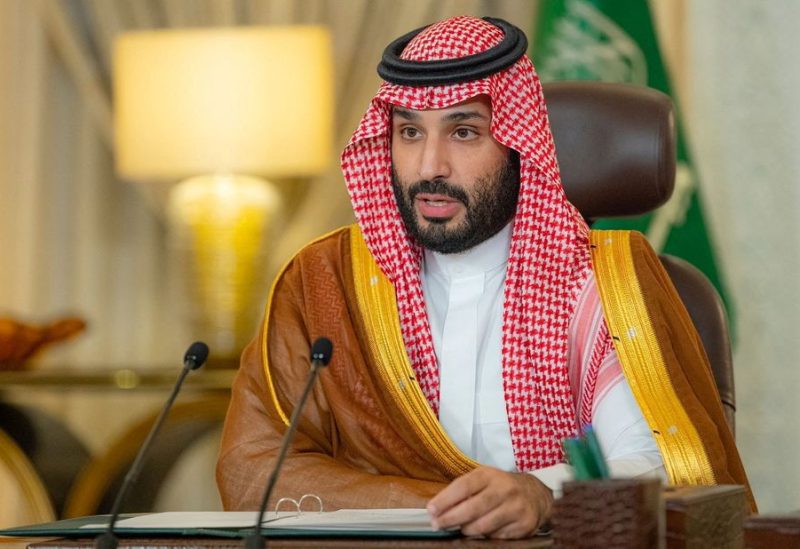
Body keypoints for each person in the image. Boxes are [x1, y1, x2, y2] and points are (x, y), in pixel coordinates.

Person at [217, 15, 754, 539]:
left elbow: (654, 463)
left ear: (518, 144)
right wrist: (452, 509)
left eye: (465, 132)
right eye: (408, 132)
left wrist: (545, 495)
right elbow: (256, 474)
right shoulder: (324, 283)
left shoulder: (598, 282)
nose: (430, 166)